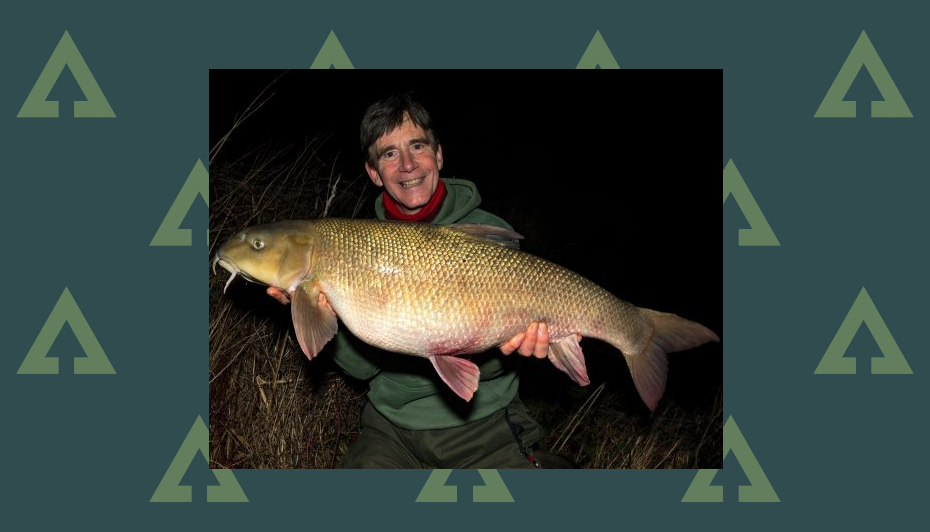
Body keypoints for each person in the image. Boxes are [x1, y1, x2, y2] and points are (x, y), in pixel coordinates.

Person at [268, 93, 555, 468]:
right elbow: (362, 369)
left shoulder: (490, 234)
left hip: (483, 426)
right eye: (388, 153)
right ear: (374, 173)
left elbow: (501, 360)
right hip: (390, 427)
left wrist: (514, 342)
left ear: (438, 155)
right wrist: (319, 312)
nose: (406, 165)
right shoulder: (353, 246)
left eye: (417, 146)